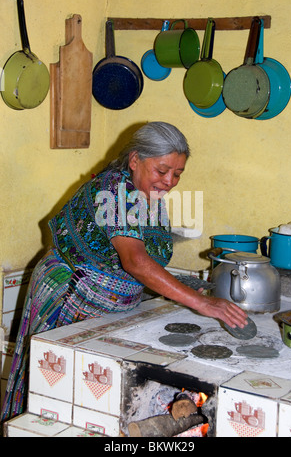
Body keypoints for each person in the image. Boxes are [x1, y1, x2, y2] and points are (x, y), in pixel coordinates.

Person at [0, 122, 247, 423]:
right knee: (50, 390)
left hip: (103, 307)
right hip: (68, 298)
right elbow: (134, 261)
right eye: (162, 170)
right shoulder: (115, 191)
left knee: (84, 398)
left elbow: (142, 259)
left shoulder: (147, 195)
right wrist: (203, 303)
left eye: (178, 173)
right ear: (134, 160)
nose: (170, 181)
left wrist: (189, 287)